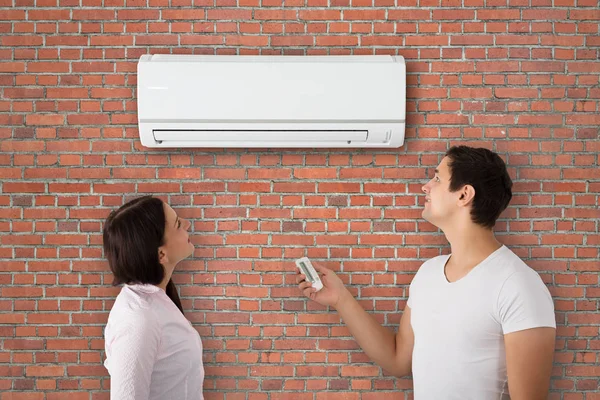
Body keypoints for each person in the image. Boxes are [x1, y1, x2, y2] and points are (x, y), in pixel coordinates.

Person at [296, 145, 556, 399]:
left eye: (437, 178)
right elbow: (398, 360)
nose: (426, 186)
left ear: (464, 195)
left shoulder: (519, 285)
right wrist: (341, 299)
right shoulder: (428, 274)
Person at [103, 195, 204, 400]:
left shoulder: (155, 300)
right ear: (160, 255)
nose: (187, 223)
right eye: (177, 224)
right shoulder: (138, 319)